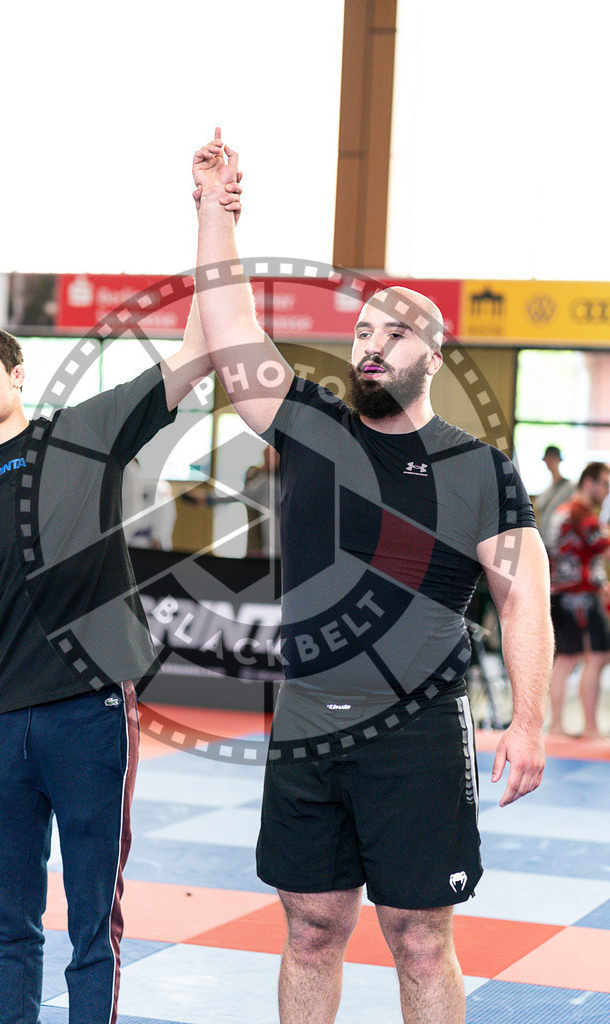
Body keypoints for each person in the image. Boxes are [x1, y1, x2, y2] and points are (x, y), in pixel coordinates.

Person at [191, 129, 553, 1024]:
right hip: (308, 725)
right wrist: (211, 212)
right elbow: (232, 328)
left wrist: (530, 720)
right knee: (310, 928)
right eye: (362, 331)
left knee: (419, 938)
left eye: (396, 333)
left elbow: (525, 596)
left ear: (433, 356)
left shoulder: (479, 468)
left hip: (416, 733)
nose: (372, 345)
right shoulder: (311, 426)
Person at [0, 176, 240, 1024]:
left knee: (91, 921)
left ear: (16, 370)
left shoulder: (81, 433)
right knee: (5, 920)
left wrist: (213, 217)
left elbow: (198, 350)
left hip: (87, 711)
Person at [547, 461, 610, 738]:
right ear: (590, 483)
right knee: (596, 657)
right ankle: (590, 728)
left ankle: (558, 725)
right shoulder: (583, 515)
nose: (607, 491)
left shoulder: (561, 511)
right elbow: (602, 548)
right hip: (580, 597)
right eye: (605, 484)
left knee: (566, 658)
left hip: (561, 594)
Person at [534, 445, 575, 550]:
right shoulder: (547, 490)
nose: (549, 462)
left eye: (552, 458)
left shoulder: (569, 487)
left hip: (559, 543)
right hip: (545, 541)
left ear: (558, 460)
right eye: (548, 458)